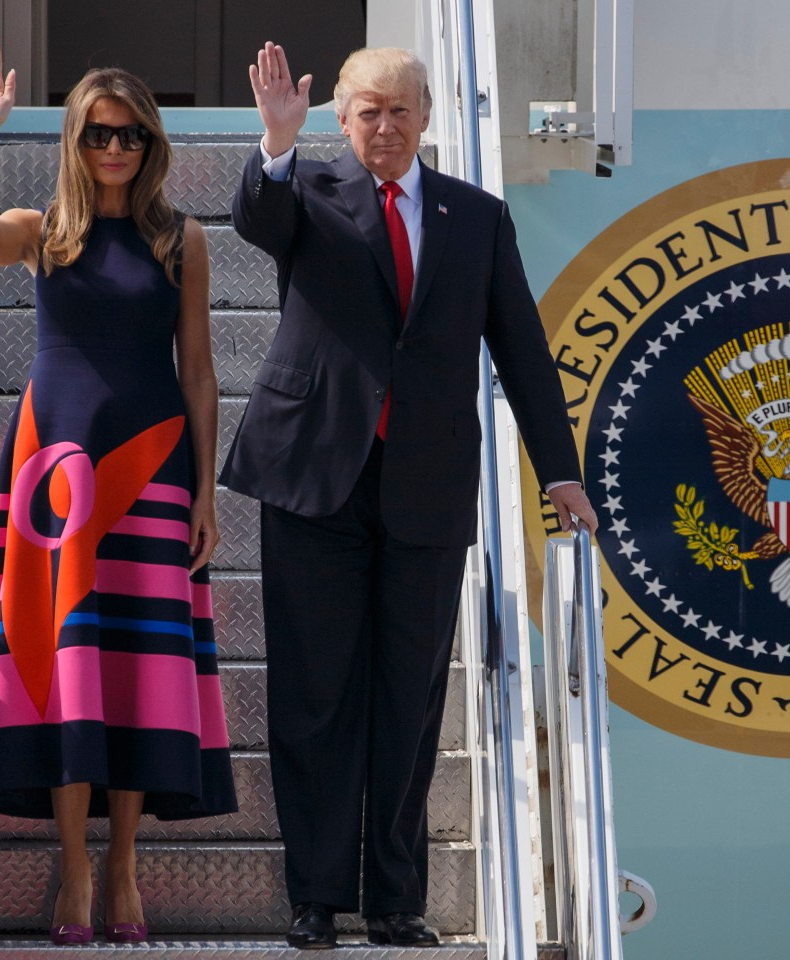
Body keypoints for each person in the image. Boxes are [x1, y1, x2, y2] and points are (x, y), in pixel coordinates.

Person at [221, 43, 598, 948]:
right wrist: (277, 143)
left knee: (408, 698)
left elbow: (522, 349)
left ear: (427, 116)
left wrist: (559, 470)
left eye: (399, 110)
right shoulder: (308, 192)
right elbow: (256, 219)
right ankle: (316, 897)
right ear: (341, 119)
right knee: (315, 695)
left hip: (426, 486)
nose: (384, 126)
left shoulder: (477, 217)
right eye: (368, 112)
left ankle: (394, 899)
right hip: (314, 478)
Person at [0, 41, 237, 946]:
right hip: (57, 469)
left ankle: (123, 865)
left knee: (137, 667)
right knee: (68, 661)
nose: (114, 148)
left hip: (153, 463)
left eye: (130, 135)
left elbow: (200, 372)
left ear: (151, 144)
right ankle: (74, 866)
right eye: (98, 134)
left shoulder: (181, 238)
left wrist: (205, 493)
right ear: (74, 141)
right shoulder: (43, 230)